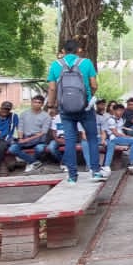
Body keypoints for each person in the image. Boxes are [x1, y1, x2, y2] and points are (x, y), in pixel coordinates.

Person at [46, 40, 103, 185]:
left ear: (63, 51)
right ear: (79, 50)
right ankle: (95, 171)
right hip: (86, 107)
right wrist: (88, 96)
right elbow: (94, 85)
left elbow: (52, 88)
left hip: (65, 108)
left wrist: (51, 106)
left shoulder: (55, 65)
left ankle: (72, 175)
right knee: (91, 138)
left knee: (70, 140)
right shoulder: (86, 63)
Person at [101, 103, 133, 174]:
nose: (120, 112)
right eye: (119, 110)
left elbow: (121, 129)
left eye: (122, 110)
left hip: (121, 137)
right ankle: (131, 163)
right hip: (114, 138)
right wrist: (127, 137)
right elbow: (115, 133)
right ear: (114, 111)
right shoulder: (111, 120)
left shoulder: (121, 119)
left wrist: (127, 135)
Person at [10, 95, 52, 173]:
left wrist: (27, 139)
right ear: (31, 103)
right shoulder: (24, 114)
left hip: (39, 140)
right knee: (12, 149)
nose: (36, 104)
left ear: (42, 104)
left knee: (39, 149)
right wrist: (20, 138)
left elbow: (43, 132)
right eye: (35, 102)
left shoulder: (46, 116)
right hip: (25, 138)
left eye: (39, 102)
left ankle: (30, 163)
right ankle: (34, 162)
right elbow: (20, 128)